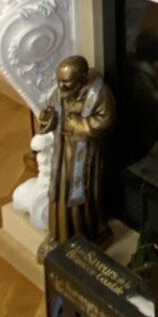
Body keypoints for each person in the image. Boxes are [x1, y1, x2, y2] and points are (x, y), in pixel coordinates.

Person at [38, 55, 116, 247]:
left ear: (82, 78)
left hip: (86, 157)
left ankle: (85, 237)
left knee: (81, 195)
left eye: (66, 82)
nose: (61, 86)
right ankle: (60, 235)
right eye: (59, 81)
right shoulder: (60, 92)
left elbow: (106, 122)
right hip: (62, 154)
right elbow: (53, 115)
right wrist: (48, 118)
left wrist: (78, 125)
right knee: (59, 191)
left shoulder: (99, 94)